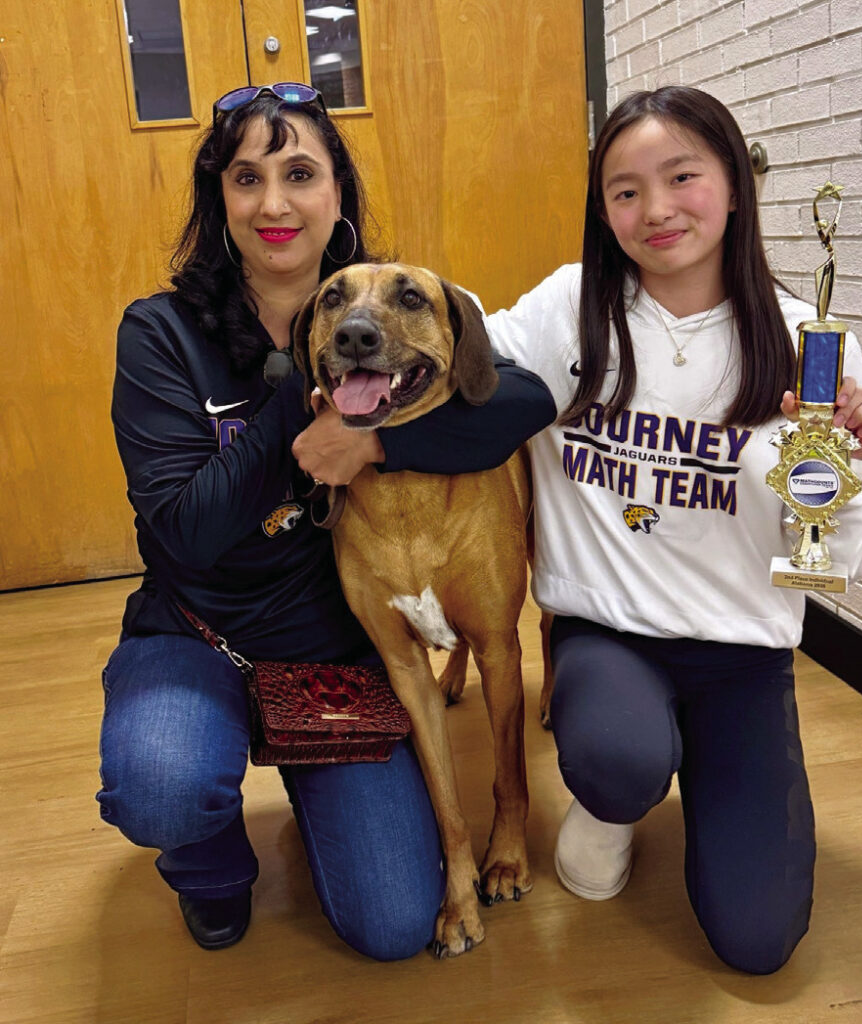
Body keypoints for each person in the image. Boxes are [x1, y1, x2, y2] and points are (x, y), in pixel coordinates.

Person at [98, 82, 555, 959]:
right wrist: (309, 401)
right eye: (246, 178)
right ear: (219, 200)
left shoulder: (389, 295)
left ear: (336, 193)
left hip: (329, 650)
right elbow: (183, 530)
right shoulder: (160, 333)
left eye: (300, 172)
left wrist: (373, 446)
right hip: (202, 633)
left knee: (390, 923)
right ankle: (212, 866)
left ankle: (330, 799)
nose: (274, 202)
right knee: (160, 779)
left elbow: (515, 397)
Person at [483, 86, 862, 975]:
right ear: (602, 209)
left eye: (682, 177)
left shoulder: (805, 341)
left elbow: (839, 556)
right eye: (624, 190)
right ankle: (611, 803)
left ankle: (698, 773)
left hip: (741, 655)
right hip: (609, 635)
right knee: (618, 758)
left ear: (736, 185)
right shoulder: (569, 306)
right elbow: (459, 347)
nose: (656, 210)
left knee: (758, 944)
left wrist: (849, 472)